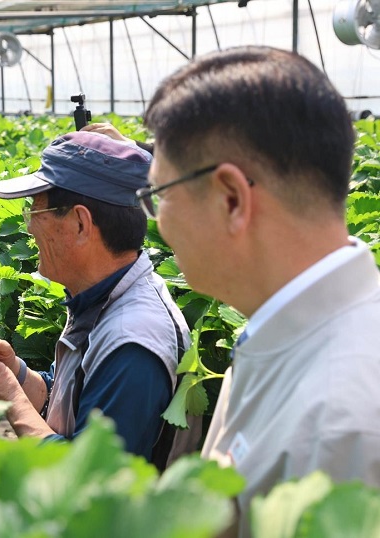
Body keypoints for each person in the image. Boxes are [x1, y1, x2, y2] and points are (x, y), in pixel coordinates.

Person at [140, 46, 380, 535]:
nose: (158, 223)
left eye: (159, 196)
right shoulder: (287, 329)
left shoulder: (339, 428)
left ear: (231, 198)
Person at [0, 130, 190, 464]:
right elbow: (66, 400)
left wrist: (10, 396)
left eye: (35, 212)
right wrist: (12, 370)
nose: (28, 228)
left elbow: (91, 479)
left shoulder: (132, 343)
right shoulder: (104, 296)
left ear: (80, 223)